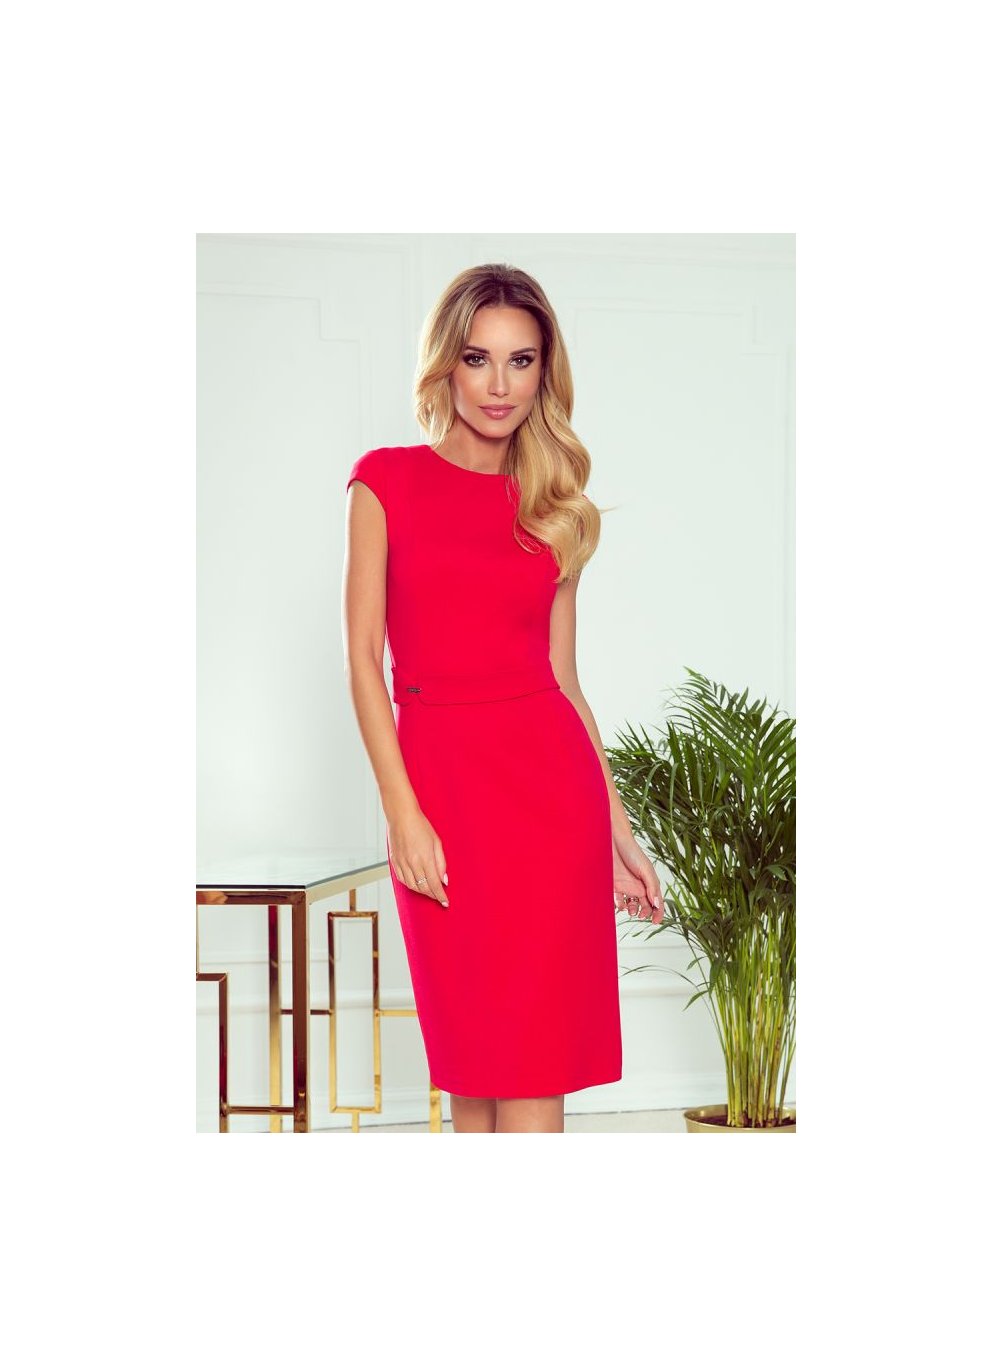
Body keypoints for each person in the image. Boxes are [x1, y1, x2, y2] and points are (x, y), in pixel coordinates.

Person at [342, 263, 663, 1134]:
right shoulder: (384, 483)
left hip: (548, 808)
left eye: (521, 361)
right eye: (478, 358)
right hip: (441, 796)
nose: (498, 384)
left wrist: (618, 833)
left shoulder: (557, 507)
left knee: (530, 1073)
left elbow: (564, 681)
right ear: (446, 362)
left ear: (543, 372)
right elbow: (363, 660)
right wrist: (403, 813)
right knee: (471, 1068)